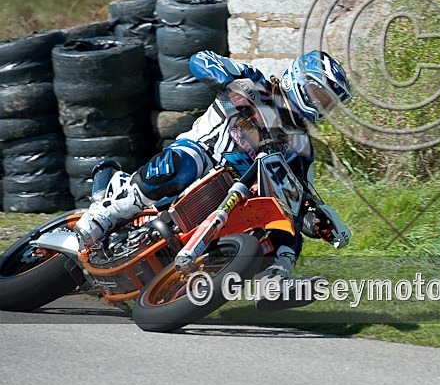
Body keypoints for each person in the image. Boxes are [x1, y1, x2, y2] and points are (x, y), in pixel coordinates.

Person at [74, 49, 353, 297]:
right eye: (320, 96)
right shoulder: (255, 83)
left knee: (286, 222)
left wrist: (315, 221)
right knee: (180, 164)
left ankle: (275, 281)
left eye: (327, 103)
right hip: (202, 157)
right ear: (300, 80)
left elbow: (299, 195)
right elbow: (201, 59)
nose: (320, 107)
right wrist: (227, 81)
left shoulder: (302, 148)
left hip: (236, 201)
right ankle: (106, 212)